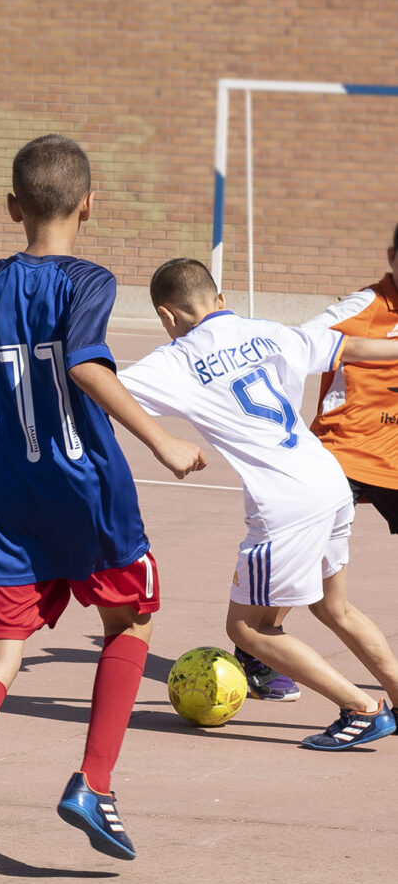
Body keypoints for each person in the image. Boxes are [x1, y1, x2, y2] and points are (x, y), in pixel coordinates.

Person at [0, 134, 206, 884]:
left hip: (4, 496)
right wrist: (162, 440)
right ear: (88, 204)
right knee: (131, 621)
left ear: (13, 207)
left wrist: (1, 437)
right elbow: (82, 361)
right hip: (87, 491)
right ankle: (93, 785)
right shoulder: (88, 280)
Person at [118, 258, 398, 752]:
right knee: (334, 607)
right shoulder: (271, 331)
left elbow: (103, 388)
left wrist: (162, 441)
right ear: (220, 299)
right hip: (329, 479)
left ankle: (361, 707)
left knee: (248, 629)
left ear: (167, 316)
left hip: (286, 502)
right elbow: (351, 346)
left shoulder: (176, 358)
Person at [237, 227, 398, 700]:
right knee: (309, 574)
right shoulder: (361, 307)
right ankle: (257, 649)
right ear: (392, 257)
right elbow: (294, 345)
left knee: (329, 597)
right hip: (342, 453)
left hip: (393, 458)